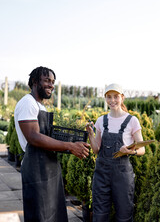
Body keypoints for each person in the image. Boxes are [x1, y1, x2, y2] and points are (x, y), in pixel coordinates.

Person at [14, 66, 90, 222]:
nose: (51, 85)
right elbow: (33, 137)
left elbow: (46, 135)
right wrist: (70, 146)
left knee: (54, 214)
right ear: (35, 81)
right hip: (36, 168)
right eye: (47, 80)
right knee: (40, 214)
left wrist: (71, 140)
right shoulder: (28, 103)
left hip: (48, 167)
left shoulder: (39, 104)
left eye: (53, 82)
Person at [86, 83, 145, 222]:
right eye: (109, 97)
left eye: (116, 96)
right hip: (101, 174)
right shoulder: (101, 120)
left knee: (124, 215)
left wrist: (129, 151)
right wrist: (90, 135)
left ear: (122, 98)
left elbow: (142, 149)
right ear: (105, 98)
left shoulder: (132, 121)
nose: (112, 100)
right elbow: (96, 150)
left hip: (123, 176)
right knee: (99, 215)